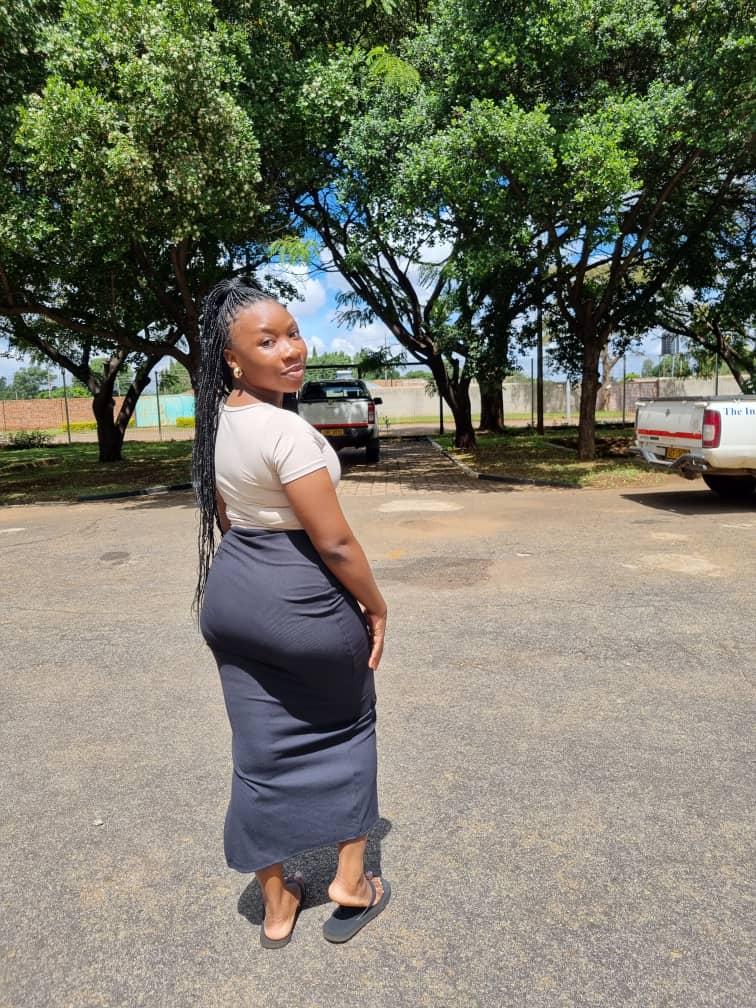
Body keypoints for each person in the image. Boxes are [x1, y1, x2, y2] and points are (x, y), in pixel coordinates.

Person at [192, 277, 390, 948]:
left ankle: (277, 906)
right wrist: (376, 605)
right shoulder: (287, 432)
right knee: (350, 725)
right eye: (268, 341)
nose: (291, 349)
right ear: (233, 358)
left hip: (234, 592)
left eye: (294, 333)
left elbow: (227, 514)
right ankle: (350, 883)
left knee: (258, 751)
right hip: (301, 598)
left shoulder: (219, 420)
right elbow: (334, 543)